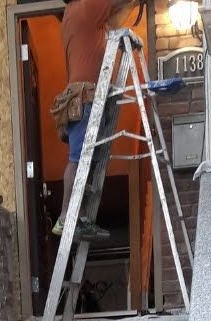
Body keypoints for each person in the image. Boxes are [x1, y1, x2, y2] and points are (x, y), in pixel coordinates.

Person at [52, 0, 133, 241]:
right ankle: (66, 217)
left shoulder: (72, 13)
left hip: (85, 98)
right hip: (86, 98)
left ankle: (78, 217)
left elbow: (112, 18)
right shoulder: (87, 5)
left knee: (86, 161)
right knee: (78, 160)